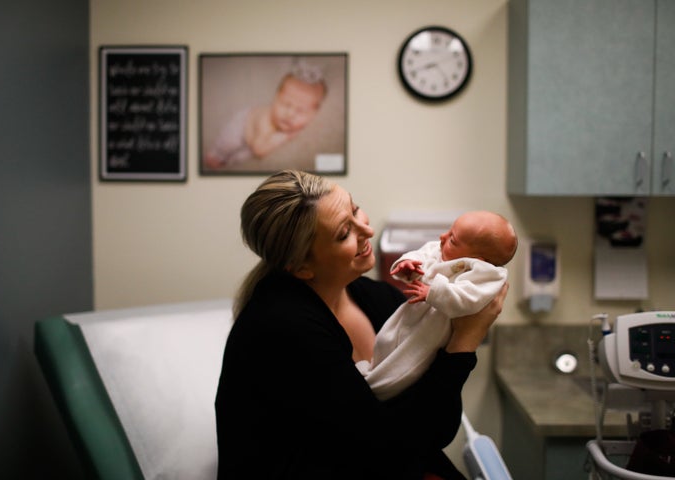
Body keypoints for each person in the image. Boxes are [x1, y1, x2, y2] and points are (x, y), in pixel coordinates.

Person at [215, 170, 508, 480]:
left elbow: (438, 427)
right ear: (301, 266)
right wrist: (466, 339)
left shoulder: (377, 299)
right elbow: (384, 451)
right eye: (344, 233)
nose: (366, 230)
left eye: (355, 209)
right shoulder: (282, 330)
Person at [357, 211, 517, 400]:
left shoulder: (487, 275)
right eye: (449, 232)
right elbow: (420, 256)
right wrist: (407, 265)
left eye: (453, 240)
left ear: (477, 259)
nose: (442, 237)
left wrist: (434, 292)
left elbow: (469, 298)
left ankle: (378, 387)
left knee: (407, 365)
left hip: (435, 329)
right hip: (411, 312)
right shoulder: (439, 250)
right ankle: (374, 370)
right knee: (386, 340)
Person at [204, 61, 327, 169]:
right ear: (275, 98)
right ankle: (216, 154)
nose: (289, 114)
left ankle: (227, 161)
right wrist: (285, 136)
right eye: (285, 104)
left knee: (242, 157)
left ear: (314, 114)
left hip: (252, 141)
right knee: (229, 143)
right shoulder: (265, 119)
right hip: (243, 126)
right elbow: (259, 150)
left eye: (300, 111)